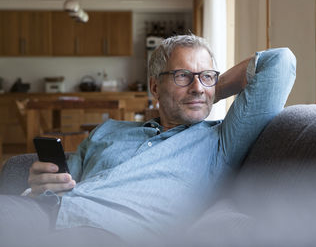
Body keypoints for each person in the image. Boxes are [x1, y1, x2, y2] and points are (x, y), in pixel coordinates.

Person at [0, 34, 296, 245]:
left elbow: (279, 62)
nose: (196, 85)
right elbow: (64, 180)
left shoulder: (220, 142)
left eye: (206, 75)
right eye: (182, 75)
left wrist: (205, 93)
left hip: (105, 232)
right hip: (40, 210)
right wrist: (40, 183)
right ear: (155, 87)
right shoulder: (108, 131)